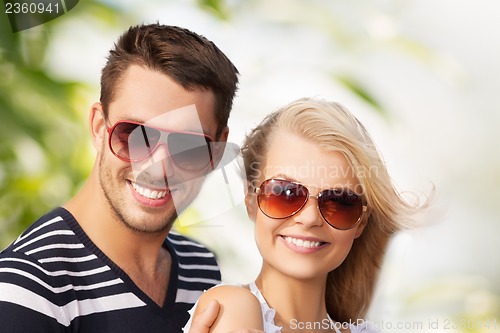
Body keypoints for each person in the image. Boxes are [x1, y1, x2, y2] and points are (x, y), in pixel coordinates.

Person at [0, 23, 239, 332]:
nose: (159, 167)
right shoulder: (26, 289)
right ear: (100, 127)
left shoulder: (201, 268)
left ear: (216, 150)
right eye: (135, 135)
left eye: (188, 145)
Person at [184, 98, 424, 333]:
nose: (309, 218)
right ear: (250, 199)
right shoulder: (231, 307)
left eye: (339, 202)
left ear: (360, 221)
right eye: (284, 193)